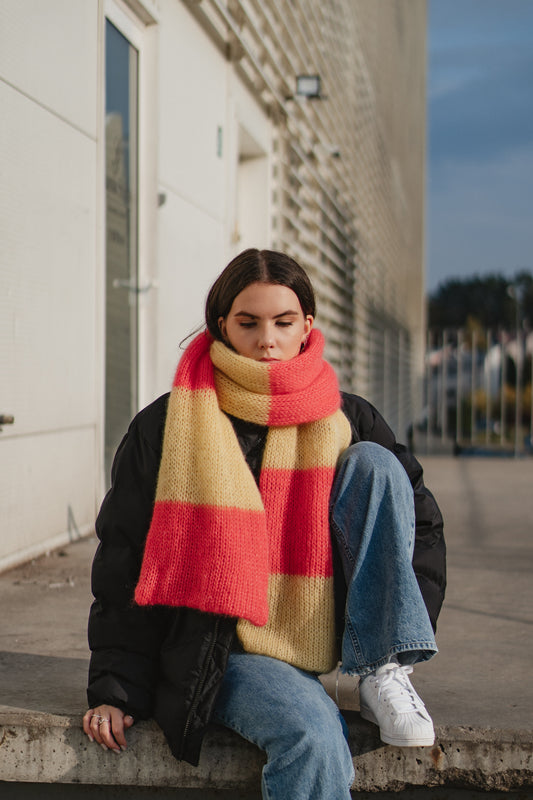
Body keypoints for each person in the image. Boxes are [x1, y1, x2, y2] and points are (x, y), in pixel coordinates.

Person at [83, 248, 445, 799]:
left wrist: (390, 625)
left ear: (307, 327)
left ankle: (384, 668)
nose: (266, 340)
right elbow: (124, 553)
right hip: (222, 647)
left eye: (283, 322)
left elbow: (415, 530)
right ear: (222, 325)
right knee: (315, 736)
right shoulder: (169, 423)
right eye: (248, 323)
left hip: (320, 634)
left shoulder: (348, 417)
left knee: (377, 464)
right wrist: (116, 684)